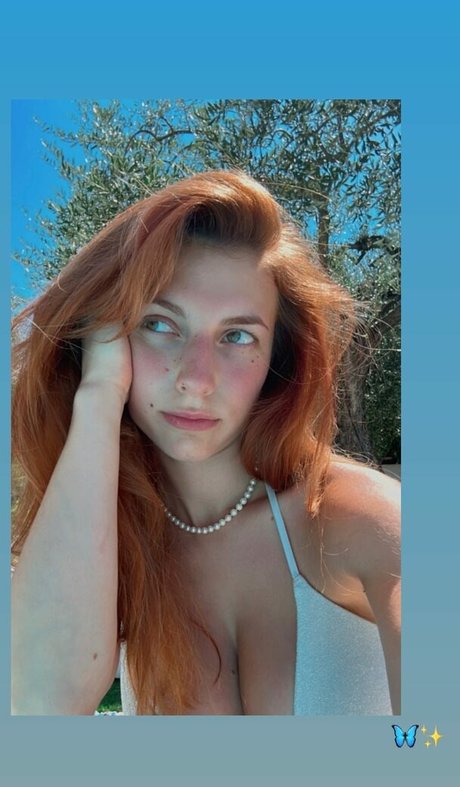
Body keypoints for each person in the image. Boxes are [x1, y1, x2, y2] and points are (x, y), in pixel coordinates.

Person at [11, 169, 400, 716]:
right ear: (108, 338)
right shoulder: (109, 538)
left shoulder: (359, 520)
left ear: (278, 358)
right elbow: (40, 702)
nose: (196, 379)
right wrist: (98, 394)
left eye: (237, 336)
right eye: (159, 324)